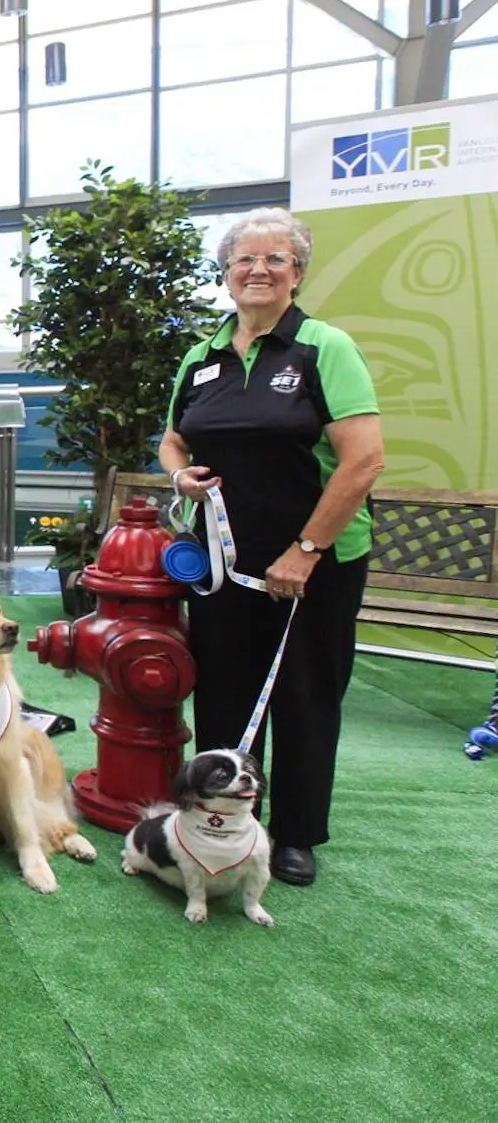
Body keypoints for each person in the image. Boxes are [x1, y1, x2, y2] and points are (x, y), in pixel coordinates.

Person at [158, 210, 385, 888]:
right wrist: (178, 473)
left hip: (312, 563)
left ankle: (295, 834)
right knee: (224, 695)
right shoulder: (201, 357)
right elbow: (174, 436)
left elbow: (363, 459)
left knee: (304, 697)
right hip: (224, 566)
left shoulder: (323, 348)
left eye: (275, 258)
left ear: (298, 272)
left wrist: (307, 548)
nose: (258, 269)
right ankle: (221, 823)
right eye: (244, 260)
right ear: (226, 274)